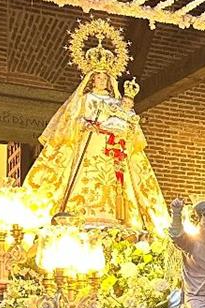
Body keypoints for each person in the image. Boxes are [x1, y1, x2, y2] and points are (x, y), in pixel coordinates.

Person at [21, 29, 167, 230]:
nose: (101, 80)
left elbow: (126, 124)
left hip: (111, 147)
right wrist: (86, 124)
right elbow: (71, 122)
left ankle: (116, 215)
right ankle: (80, 211)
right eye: (97, 77)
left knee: (115, 181)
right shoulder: (85, 99)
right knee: (85, 176)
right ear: (91, 79)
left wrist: (127, 125)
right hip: (89, 144)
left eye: (104, 78)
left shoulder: (116, 102)